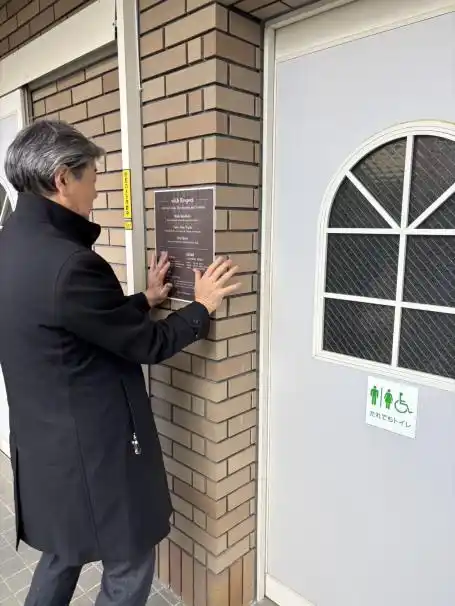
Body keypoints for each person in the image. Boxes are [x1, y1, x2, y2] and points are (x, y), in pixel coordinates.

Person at [0, 120, 240, 606]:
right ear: (62, 179)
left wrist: (144, 299)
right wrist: (202, 307)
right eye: (92, 177)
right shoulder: (70, 262)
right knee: (129, 563)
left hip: (44, 446)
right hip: (93, 453)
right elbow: (146, 345)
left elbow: (72, 321)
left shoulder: (10, 244)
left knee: (63, 552)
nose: (96, 190)